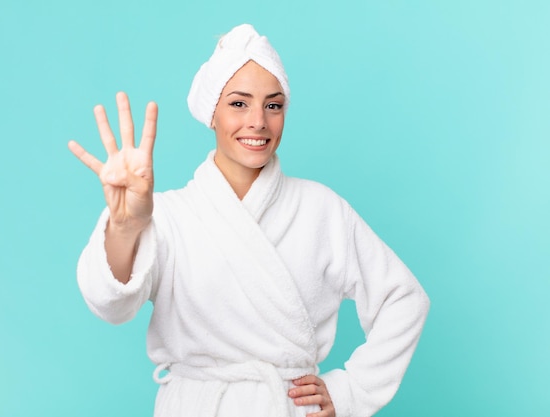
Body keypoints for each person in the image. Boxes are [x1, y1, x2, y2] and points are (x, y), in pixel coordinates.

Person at [68, 24, 429, 417]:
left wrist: (350, 392)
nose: (258, 121)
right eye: (239, 104)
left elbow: (403, 298)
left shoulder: (321, 209)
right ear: (212, 113)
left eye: (273, 105)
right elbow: (110, 306)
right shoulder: (168, 215)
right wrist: (124, 227)